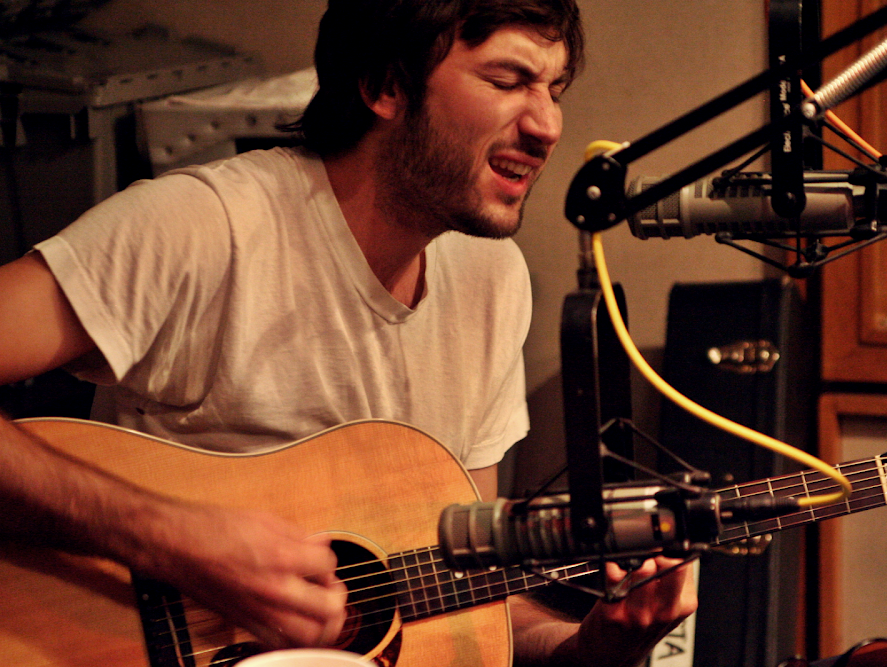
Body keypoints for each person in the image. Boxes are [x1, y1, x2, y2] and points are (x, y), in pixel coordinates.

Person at [0, 1, 697, 665]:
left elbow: (464, 600)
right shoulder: (206, 227)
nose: (547, 124)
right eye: (507, 80)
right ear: (386, 86)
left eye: (554, 89)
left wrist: (591, 648)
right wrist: (167, 539)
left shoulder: (492, 278)